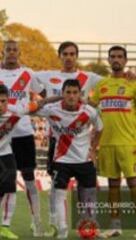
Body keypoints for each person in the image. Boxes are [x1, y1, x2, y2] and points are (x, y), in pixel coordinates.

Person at [0, 40, 44, 237]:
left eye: (15, 50)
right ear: (2, 52)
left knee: (29, 177)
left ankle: (36, 220)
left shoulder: (28, 73)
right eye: (8, 50)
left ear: (19, 53)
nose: (11, 53)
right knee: (0, 181)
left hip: (22, 131)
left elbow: (43, 94)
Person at [35, 41, 102, 236]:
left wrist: (93, 148)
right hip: (57, 141)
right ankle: (56, 224)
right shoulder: (48, 75)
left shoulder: (87, 77)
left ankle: (87, 225)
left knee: (86, 192)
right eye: (65, 53)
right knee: (56, 189)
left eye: (73, 54)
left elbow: (108, 84)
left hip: (82, 150)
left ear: (77, 56)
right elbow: (24, 75)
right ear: (60, 55)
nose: (69, 57)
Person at [89, 46, 136, 239]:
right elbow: (92, 108)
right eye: (113, 57)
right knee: (113, 185)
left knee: (133, 183)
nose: (116, 59)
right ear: (108, 61)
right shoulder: (102, 85)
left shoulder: (133, 83)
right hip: (107, 143)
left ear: (125, 61)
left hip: (129, 143)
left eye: (119, 57)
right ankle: (115, 226)